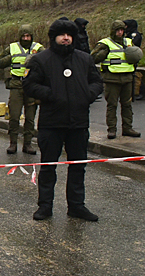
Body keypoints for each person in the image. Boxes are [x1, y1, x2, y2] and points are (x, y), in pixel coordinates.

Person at [23, 19, 103, 221]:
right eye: (61, 35)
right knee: (48, 166)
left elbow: (96, 82)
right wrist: (52, 94)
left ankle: (76, 206)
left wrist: (87, 94)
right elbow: (30, 85)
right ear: (54, 38)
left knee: (78, 166)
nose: (66, 38)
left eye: (69, 35)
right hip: (51, 123)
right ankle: (45, 206)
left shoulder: (84, 59)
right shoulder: (41, 60)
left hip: (78, 123)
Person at [0, 24, 43, 155]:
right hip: (16, 84)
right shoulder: (12, 47)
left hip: (32, 86)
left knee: (30, 117)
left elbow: (47, 63)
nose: (26, 38)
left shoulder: (38, 48)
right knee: (14, 116)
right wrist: (12, 57)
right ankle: (13, 143)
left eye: (28, 36)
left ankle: (28, 144)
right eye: (24, 36)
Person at [91, 19, 141, 139]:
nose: (120, 32)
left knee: (127, 105)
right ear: (113, 31)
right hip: (112, 79)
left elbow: (136, 55)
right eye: (118, 30)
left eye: (122, 30)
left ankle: (127, 128)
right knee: (112, 105)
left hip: (127, 78)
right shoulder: (105, 43)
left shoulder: (129, 42)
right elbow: (92, 58)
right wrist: (103, 54)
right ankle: (112, 129)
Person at [124, 19, 143, 99]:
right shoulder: (128, 34)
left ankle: (139, 92)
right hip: (129, 56)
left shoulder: (135, 35)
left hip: (133, 56)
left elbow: (133, 44)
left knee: (134, 74)